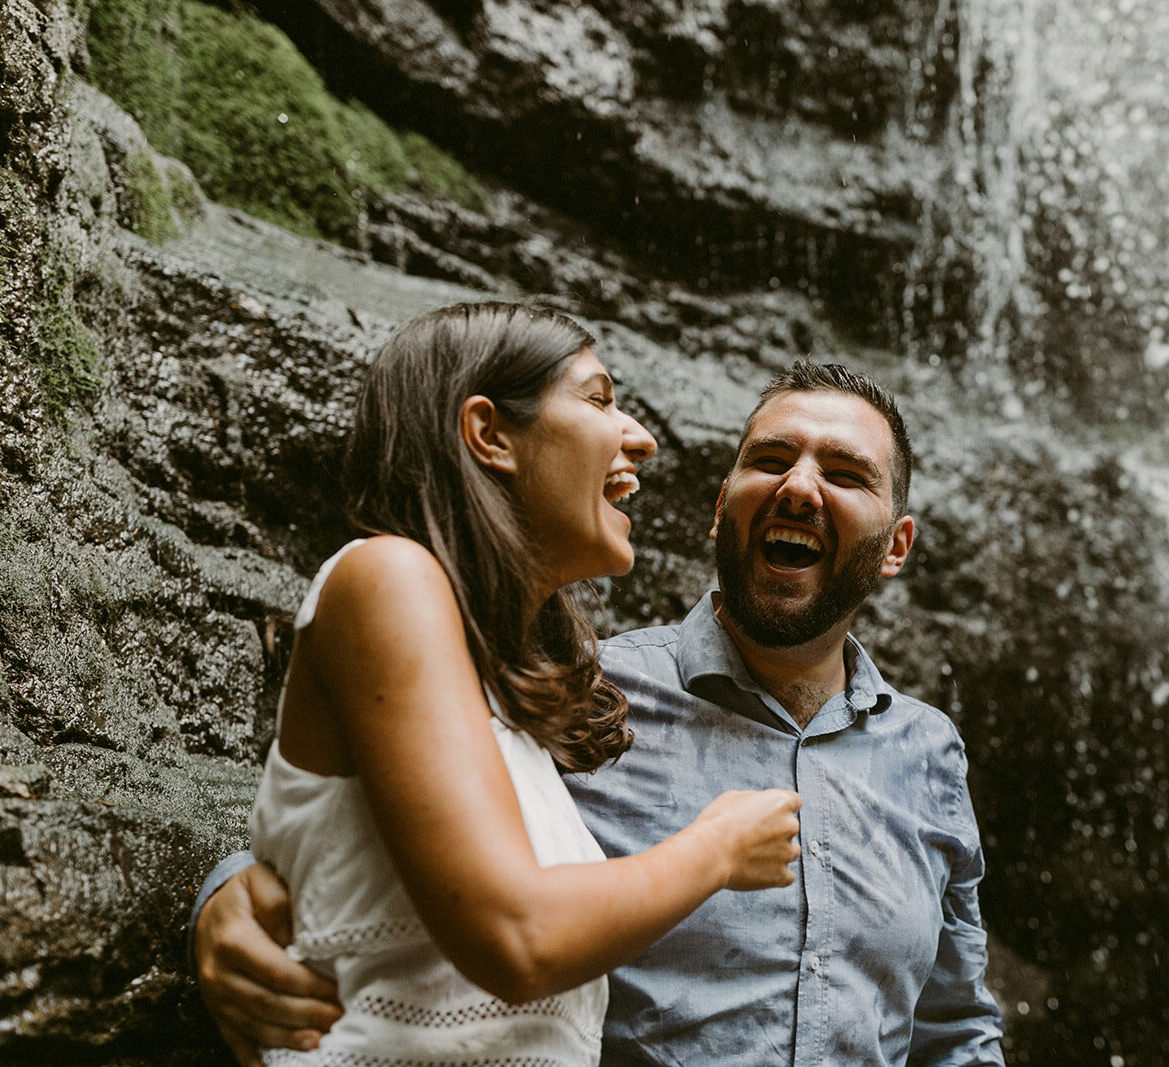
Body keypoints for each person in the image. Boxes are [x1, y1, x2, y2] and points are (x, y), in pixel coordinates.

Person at [195, 359, 1006, 1066]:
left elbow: (955, 1031)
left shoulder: (928, 754)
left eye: (845, 472)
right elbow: (358, 816)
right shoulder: (572, 690)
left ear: (897, 544)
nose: (798, 486)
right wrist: (227, 896)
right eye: (771, 460)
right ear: (721, 507)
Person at [233, 300, 802, 1066]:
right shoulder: (387, 573)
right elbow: (517, 936)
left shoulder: (517, 702)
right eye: (600, 398)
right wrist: (716, 848)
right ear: (489, 434)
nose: (641, 435)